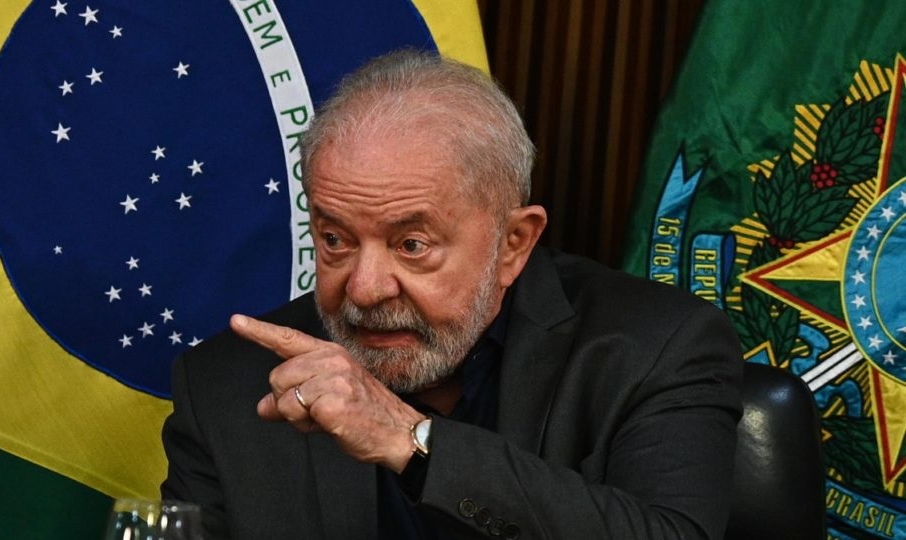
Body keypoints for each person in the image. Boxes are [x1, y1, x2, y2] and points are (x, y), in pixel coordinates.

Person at [161, 49, 743, 539]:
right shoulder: (229, 387)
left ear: (513, 243)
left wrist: (412, 442)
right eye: (335, 239)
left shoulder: (658, 347)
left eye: (412, 245)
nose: (364, 288)